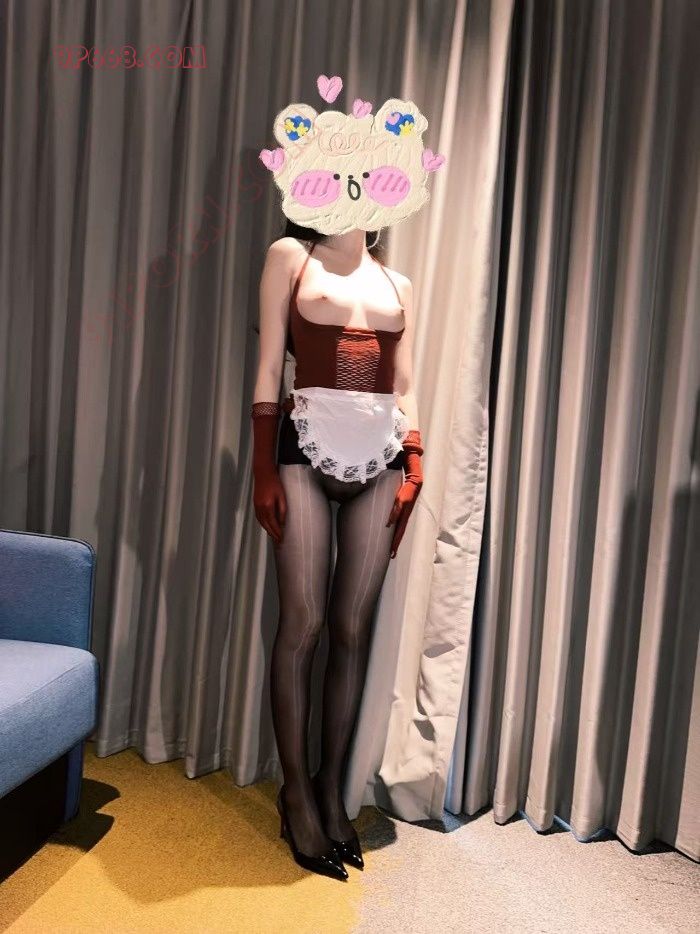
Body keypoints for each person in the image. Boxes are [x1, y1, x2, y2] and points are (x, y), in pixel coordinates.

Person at [250, 222, 424, 880]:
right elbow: (270, 364)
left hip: (381, 455)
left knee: (352, 628)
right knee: (305, 623)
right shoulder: (290, 256)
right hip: (304, 442)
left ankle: (328, 791)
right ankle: (295, 796)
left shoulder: (398, 282)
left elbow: (403, 382)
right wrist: (262, 469)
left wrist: (417, 462)